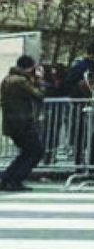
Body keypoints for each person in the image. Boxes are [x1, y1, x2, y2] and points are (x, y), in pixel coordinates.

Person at [0, 56, 45, 191]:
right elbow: (38, 95)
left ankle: (7, 178)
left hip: (11, 122)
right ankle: (15, 179)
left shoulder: (7, 79)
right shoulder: (21, 81)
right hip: (22, 122)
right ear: (30, 67)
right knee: (36, 151)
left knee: (26, 152)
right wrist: (39, 80)